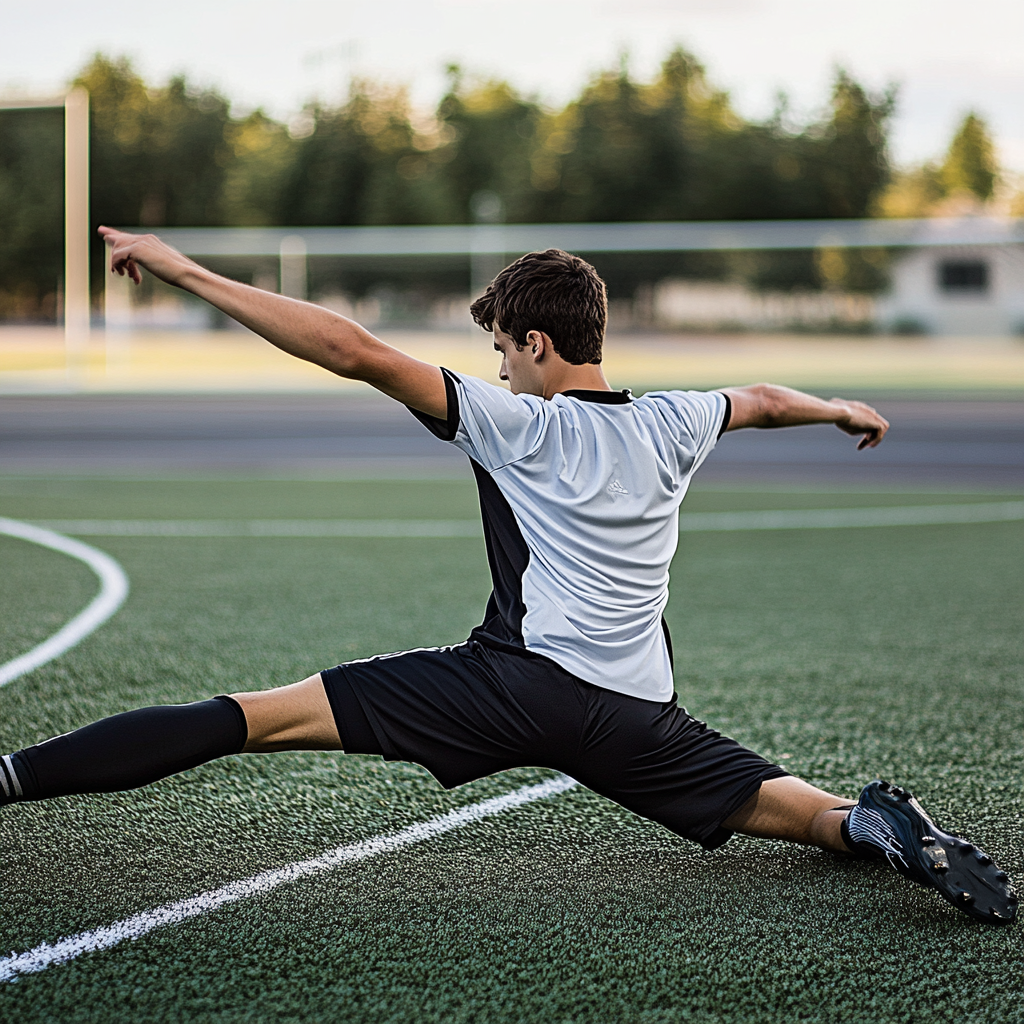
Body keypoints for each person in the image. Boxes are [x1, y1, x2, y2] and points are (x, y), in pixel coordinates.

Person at [0, 231, 1015, 927]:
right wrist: (838, 404)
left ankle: (11, 776)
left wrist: (182, 268)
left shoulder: (518, 421)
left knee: (250, 716)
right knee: (797, 813)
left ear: (538, 342)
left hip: (514, 686)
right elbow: (755, 396)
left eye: (501, 351)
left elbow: (351, 350)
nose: (496, 372)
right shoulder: (673, 420)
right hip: (634, 714)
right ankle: (868, 821)